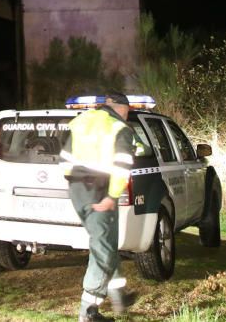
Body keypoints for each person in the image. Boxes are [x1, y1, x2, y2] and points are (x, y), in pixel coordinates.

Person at [60, 93, 138, 322]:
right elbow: (122, 168)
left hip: (78, 190)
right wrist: (111, 196)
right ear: (121, 108)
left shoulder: (80, 120)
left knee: (108, 242)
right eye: (128, 110)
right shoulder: (119, 128)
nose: (127, 114)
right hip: (101, 193)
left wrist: (78, 184)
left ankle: (119, 297)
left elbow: (64, 159)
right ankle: (88, 310)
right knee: (103, 248)